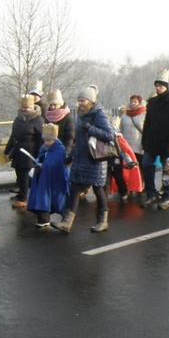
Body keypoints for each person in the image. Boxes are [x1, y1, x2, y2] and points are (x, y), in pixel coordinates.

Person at [52, 85, 116, 233]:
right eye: (79, 100)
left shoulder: (99, 115)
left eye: (83, 100)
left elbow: (109, 135)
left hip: (95, 160)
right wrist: (71, 156)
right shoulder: (81, 114)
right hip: (81, 158)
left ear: (91, 101)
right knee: (74, 189)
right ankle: (67, 222)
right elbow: (79, 140)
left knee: (98, 189)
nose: (80, 103)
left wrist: (90, 128)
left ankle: (102, 221)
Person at [140, 69, 169, 210]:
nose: (157, 88)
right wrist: (144, 140)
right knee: (146, 165)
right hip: (152, 141)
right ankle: (151, 193)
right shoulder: (152, 102)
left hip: (168, 143)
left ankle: (167, 195)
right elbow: (148, 122)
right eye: (156, 86)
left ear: (166, 86)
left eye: (160, 85)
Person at [4, 94, 44, 208]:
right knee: (19, 172)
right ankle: (30, 188)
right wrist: (7, 150)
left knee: (23, 173)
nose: (25, 109)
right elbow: (13, 135)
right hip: (18, 149)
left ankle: (23, 198)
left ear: (32, 107)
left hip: (29, 150)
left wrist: (39, 154)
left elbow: (41, 138)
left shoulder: (38, 120)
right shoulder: (18, 118)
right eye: (23, 107)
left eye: (27, 107)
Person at [26, 123, 69, 228]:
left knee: (55, 197)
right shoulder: (45, 148)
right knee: (41, 197)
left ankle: (66, 218)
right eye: (44, 140)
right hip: (43, 176)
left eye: (49, 140)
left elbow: (57, 163)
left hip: (53, 178)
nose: (46, 143)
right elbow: (42, 158)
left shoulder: (59, 149)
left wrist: (44, 166)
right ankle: (43, 218)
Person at [108, 131, 143, 201]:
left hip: (115, 156)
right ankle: (104, 196)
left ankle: (123, 191)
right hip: (109, 154)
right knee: (109, 177)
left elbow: (122, 151)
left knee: (118, 176)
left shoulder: (117, 137)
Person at [119, 95, 146, 167]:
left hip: (138, 145)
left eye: (135, 102)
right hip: (126, 145)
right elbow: (121, 128)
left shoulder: (144, 114)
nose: (133, 103)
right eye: (131, 102)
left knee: (139, 166)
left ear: (139, 103)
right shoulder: (125, 114)